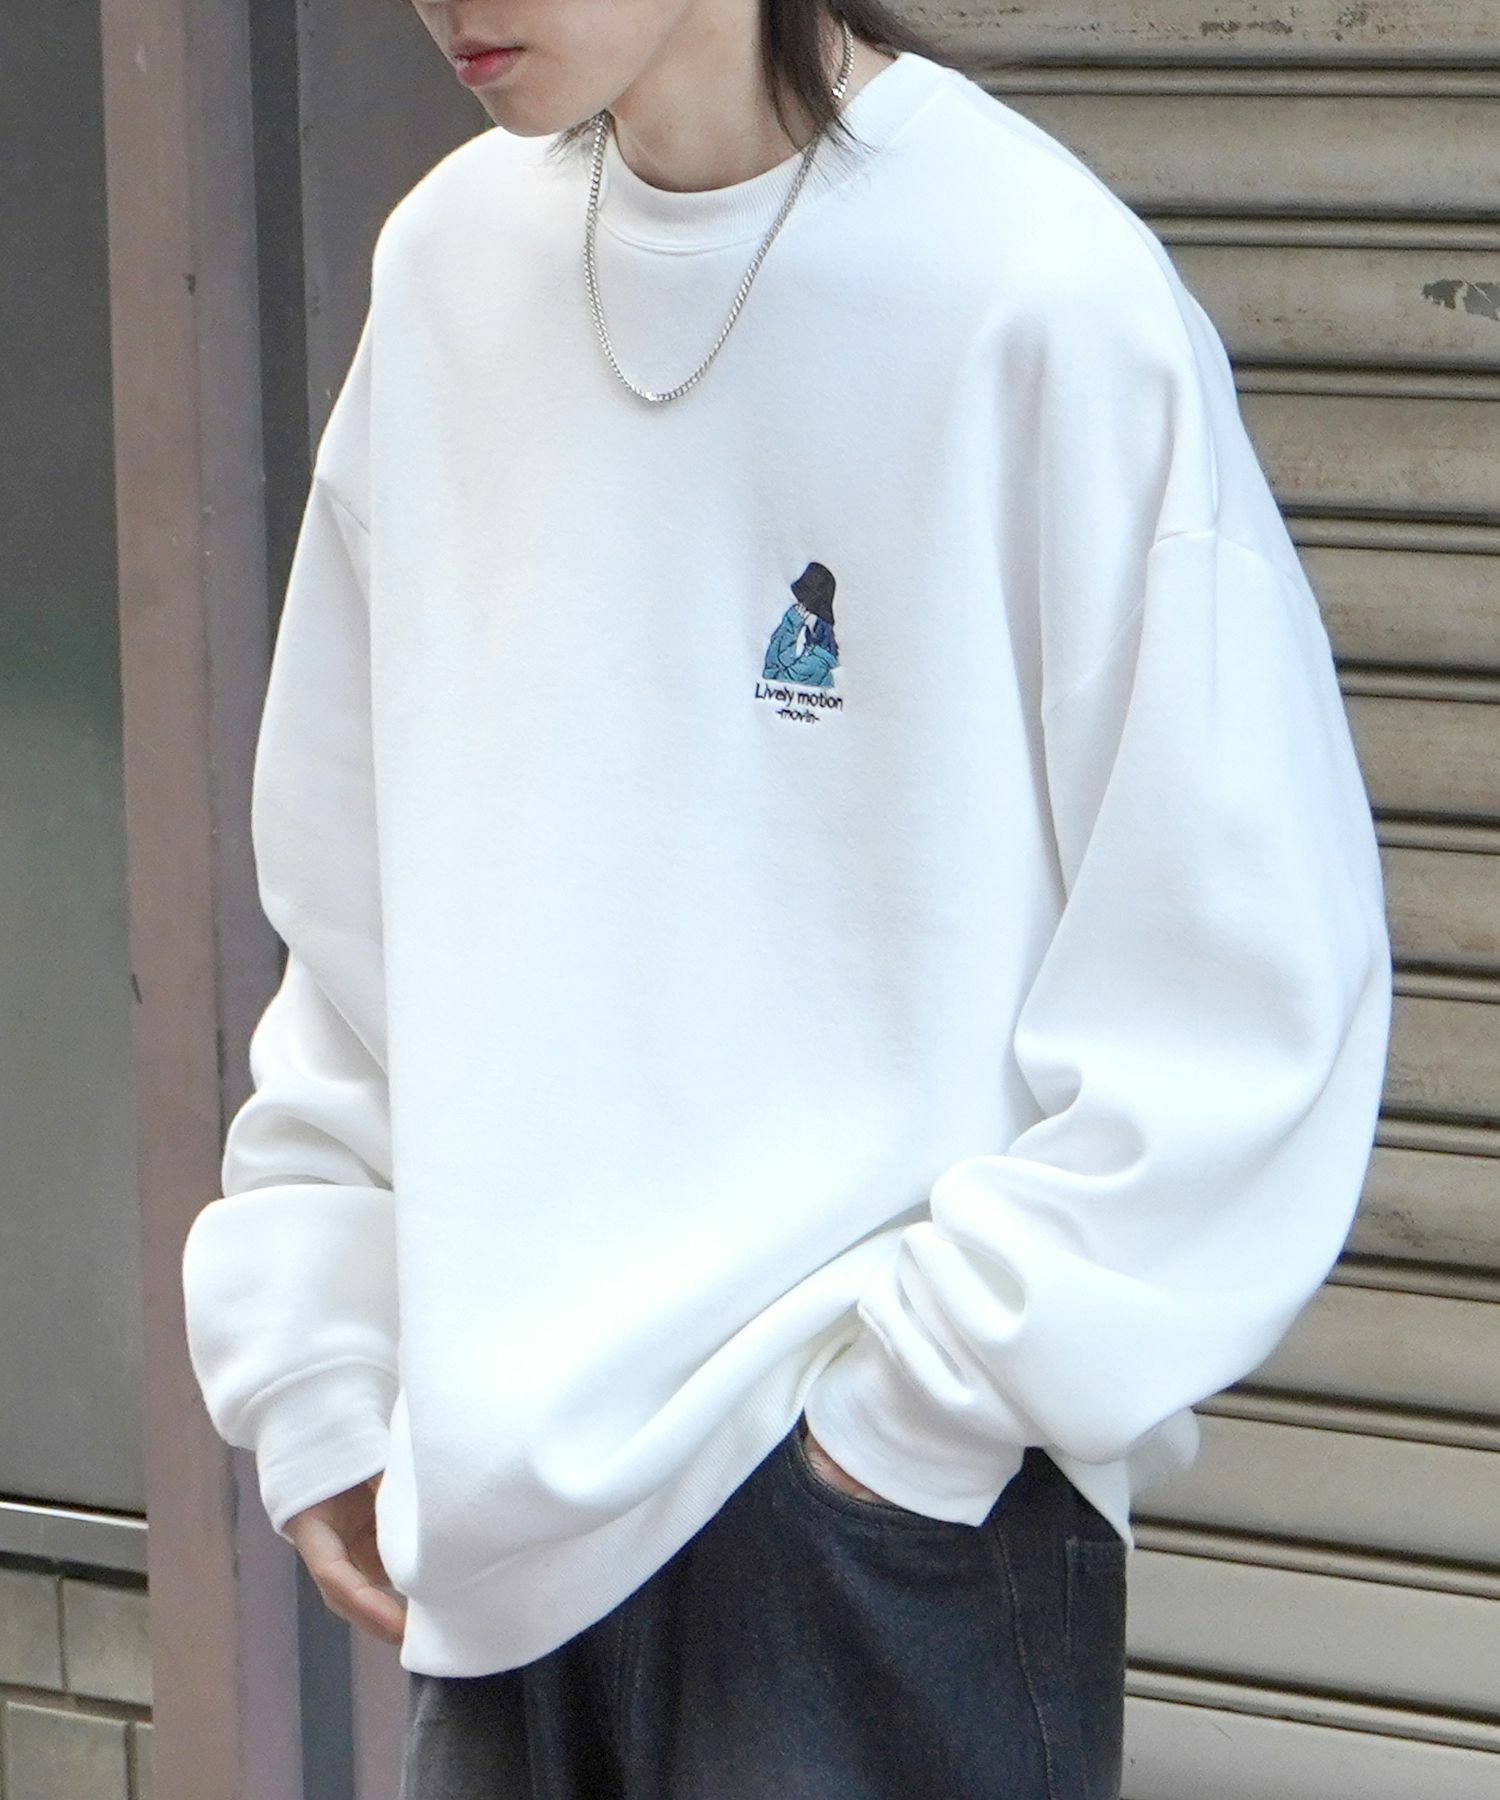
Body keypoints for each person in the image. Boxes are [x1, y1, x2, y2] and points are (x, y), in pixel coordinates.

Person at [180, 2, 1394, 1795]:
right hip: (504, 1527)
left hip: (875, 1542)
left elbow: (1245, 976)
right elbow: (360, 903)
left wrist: (910, 1426)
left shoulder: (1030, 285)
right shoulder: (450, 270)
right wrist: (321, 1351)